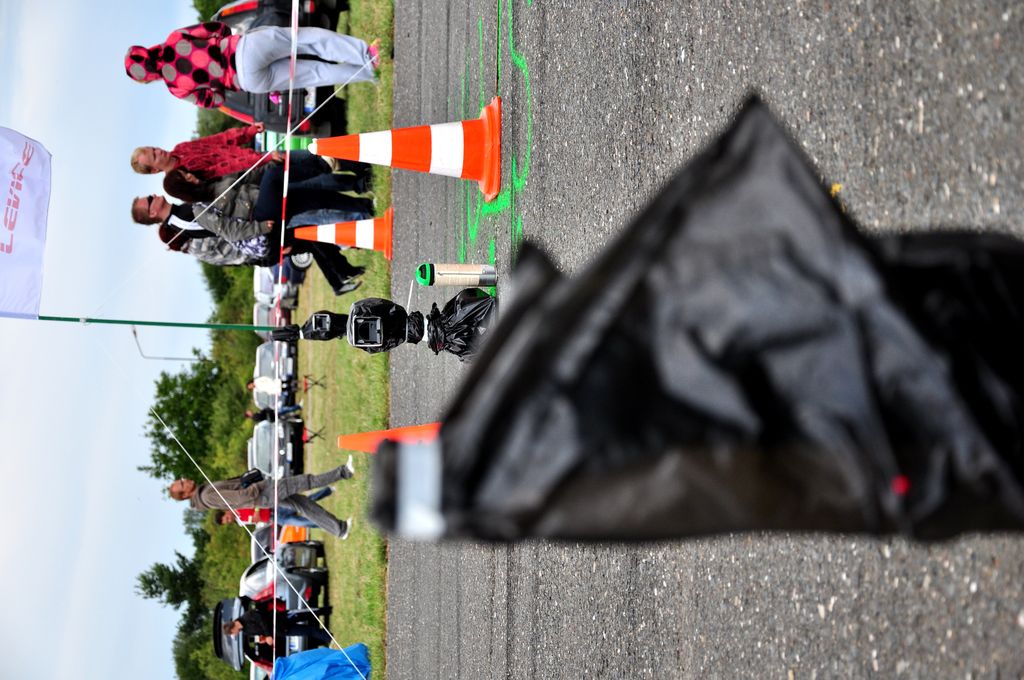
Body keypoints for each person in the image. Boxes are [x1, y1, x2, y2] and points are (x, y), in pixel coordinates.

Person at [125, 22, 379, 108]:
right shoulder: (174, 39)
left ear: (147, 78)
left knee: (315, 74)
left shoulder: (175, 89)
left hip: (249, 82)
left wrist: (219, 82)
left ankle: (368, 73)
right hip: (244, 49)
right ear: (145, 50)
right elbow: (216, 28)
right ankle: (365, 55)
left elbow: (215, 101)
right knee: (306, 41)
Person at [168, 456, 355, 538]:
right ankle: (345, 472)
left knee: (304, 505)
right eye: (182, 483)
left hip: (263, 493)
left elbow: (237, 488)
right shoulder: (207, 495)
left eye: (181, 480)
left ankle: (340, 529)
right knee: (306, 481)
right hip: (264, 493)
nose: (185, 480)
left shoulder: (205, 491)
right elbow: (240, 498)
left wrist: (246, 480)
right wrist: (256, 486)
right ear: (185, 494)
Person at [223, 596, 333, 648]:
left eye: (232, 633)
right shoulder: (246, 632)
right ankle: (330, 637)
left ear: (232, 628)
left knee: (308, 613)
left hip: (282, 618)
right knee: (308, 631)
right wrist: (264, 638)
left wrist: (268, 635)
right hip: (282, 631)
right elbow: (262, 632)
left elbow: (263, 621)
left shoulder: (248, 615)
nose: (235, 634)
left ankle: (329, 610)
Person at [215, 486, 334, 528]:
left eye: (227, 518)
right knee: (302, 523)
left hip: (275, 507)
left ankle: (328, 490)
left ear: (226, 512)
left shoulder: (238, 504)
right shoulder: (241, 523)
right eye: (227, 522)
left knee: (306, 502)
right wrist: (258, 521)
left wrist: (257, 511)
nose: (229, 520)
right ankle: (327, 524)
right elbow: (257, 521)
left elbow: (255, 500)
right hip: (276, 519)